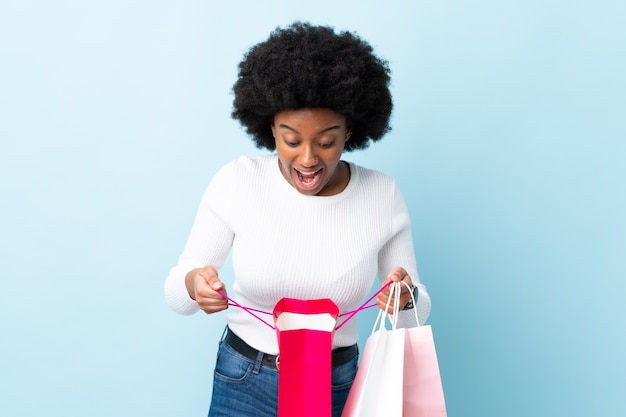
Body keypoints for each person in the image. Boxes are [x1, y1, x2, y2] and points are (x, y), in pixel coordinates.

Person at [164, 21, 432, 417]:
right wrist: (194, 284)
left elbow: (418, 309)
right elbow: (178, 293)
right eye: (291, 140)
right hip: (244, 378)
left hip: (336, 382)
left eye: (326, 142)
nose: (308, 159)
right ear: (270, 127)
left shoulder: (381, 194)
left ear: (350, 131)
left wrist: (404, 297)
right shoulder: (239, 181)